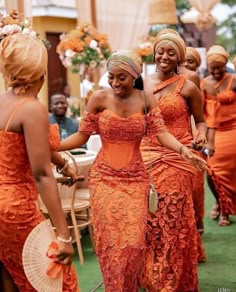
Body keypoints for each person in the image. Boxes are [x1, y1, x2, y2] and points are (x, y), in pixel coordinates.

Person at [58, 49, 207, 292]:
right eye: (111, 77)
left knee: (134, 243)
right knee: (112, 245)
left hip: (136, 180)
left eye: (122, 77)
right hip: (104, 179)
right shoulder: (98, 98)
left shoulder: (146, 99)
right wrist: (53, 144)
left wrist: (183, 150)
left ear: (134, 76)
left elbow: (161, 132)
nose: (115, 83)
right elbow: (81, 136)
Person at [0, 32, 79, 291]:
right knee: (57, 279)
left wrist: (59, 161)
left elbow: (17, 146)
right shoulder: (30, 108)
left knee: (10, 279)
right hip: (15, 209)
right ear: (41, 72)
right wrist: (64, 235)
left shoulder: (3, 102)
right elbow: (41, 174)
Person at [140, 30, 208, 291]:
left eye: (171, 52)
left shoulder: (188, 86)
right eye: (161, 51)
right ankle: (151, 273)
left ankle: (168, 280)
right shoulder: (142, 83)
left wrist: (200, 136)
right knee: (149, 219)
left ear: (179, 56)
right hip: (145, 156)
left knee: (170, 219)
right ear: (154, 53)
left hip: (177, 157)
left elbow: (200, 121)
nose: (165, 56)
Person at [203, 45, 236, 226]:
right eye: (212, 67)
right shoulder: (204, 83)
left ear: (225, 65)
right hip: (214, 132)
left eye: (219, 67)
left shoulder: (234, 80)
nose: (216, 71)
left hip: (234, 130)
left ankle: (225, 208)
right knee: (213, 172)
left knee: (233, 172)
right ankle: (220, 201)